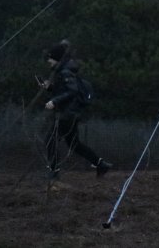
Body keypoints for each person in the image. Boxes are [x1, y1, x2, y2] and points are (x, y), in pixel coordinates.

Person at [41, 40, 111, 179]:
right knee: (74, 144)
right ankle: (100, 164)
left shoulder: (65, 72)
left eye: (50, 57)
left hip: (67, 114)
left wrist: (54, 101)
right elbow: (64, 90)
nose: (48, 60)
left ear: (57, 58)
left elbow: (72, 91)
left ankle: (54, 172)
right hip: (70, 114)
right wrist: (49, 88)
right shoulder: (64, 71)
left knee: (51, 140)